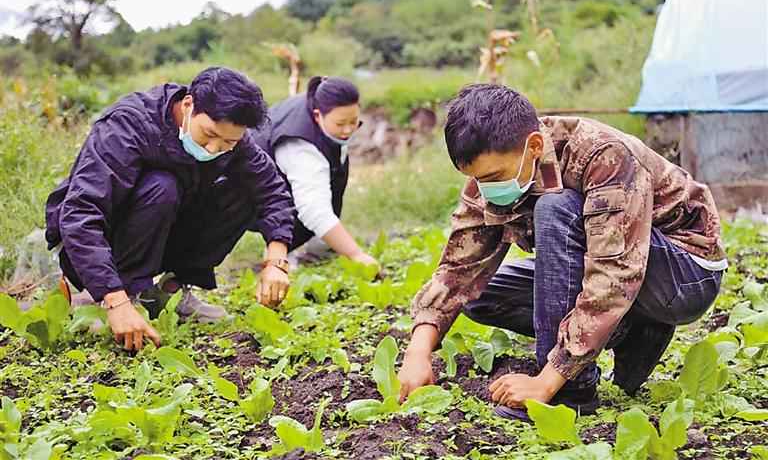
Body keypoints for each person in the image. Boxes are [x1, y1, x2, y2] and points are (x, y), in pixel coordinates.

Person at [397, 84, 728, 420]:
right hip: (624, 270)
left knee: (556, 208)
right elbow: (458, 270)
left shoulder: (603, 155)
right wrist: (418, 351)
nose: (487, 189)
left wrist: (547, 381)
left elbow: (614, 272)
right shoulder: (497, 172)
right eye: (478, 179)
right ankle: (632, 326)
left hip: (685, 274)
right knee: (480, 296)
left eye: (494, 177)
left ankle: (570, 394)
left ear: (535, 146)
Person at [45, 67, 296, 352]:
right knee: (162, 185)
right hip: (104, 241)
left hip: (161, 231)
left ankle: (170, 291)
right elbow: (81, 212)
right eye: (209, 134)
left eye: (228, 142)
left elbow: (271, 188)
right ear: (188, 104)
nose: (214, 148)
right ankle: (120, 297)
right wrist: (115, 299)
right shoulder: (128, 126)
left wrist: (276, 261)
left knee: (242, 191)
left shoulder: (229, 138)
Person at [262, 76, 379, 269]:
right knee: (305, 203)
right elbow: (313, 209)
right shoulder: (301, 147)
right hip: (245, 189)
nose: (348, 130)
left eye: (354, 121)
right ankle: (280, 253)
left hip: (280, 168)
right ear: (318, 116)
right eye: (340, 124)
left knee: (329, 182)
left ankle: (321, 241)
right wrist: (356, 255)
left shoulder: (320, 99)